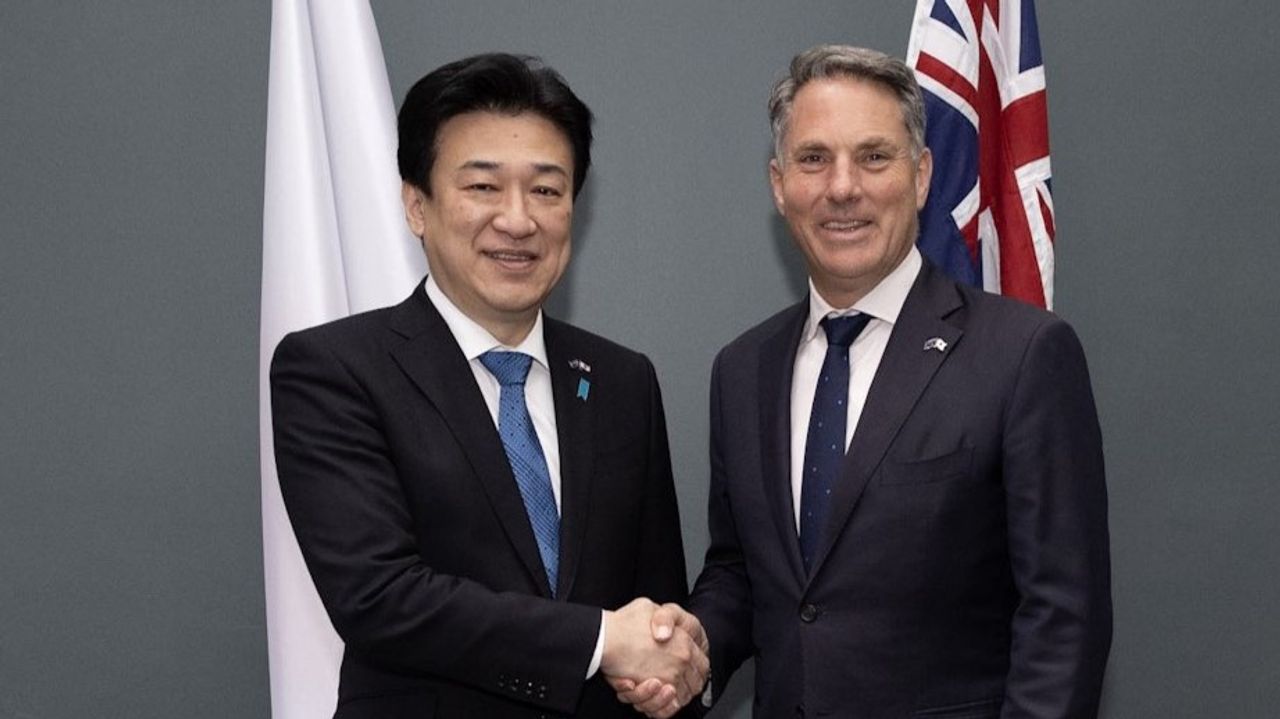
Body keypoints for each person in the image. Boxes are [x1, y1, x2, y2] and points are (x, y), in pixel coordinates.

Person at [620, 44, 1111, 718]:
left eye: (874, 157)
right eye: (813, 159)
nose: (842, 187)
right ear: (779, 184)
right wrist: (695, 649)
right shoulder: (742, 369)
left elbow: (1064, 616)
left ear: (921, 175)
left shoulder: (1022, 354)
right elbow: (743, 572)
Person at [270, 53, 707, 718]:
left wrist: (671, 668)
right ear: (416, 205)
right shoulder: (334, 370)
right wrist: (598, 640)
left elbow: (656, 611)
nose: (518, 220)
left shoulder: (622, 381)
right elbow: (380, 597)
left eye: (547, 190)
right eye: (482, 186)